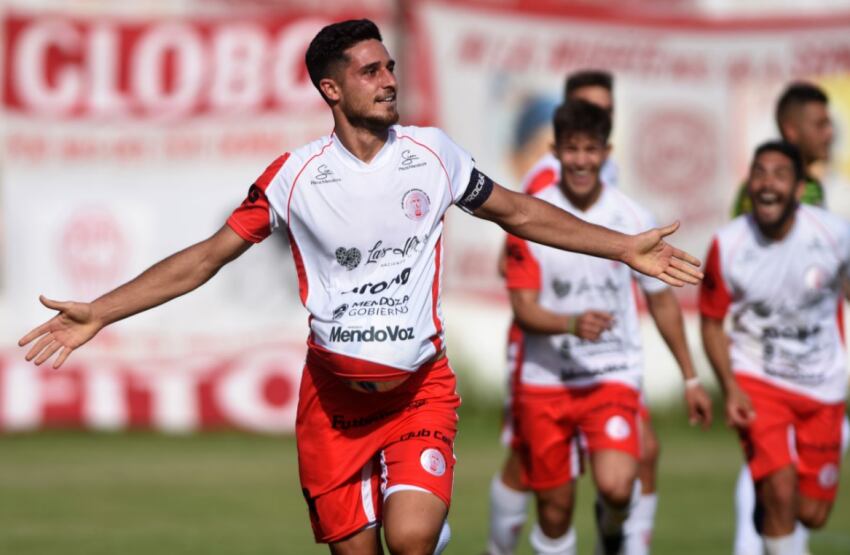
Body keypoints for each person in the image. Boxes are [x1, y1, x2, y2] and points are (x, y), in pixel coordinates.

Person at [18, 20, 703, 555]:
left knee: (408, 539)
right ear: (331, 89)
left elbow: (518, 210)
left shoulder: (434, 155)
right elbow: (205, 258)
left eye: (390, 66)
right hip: (333, 405)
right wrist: (100, 312)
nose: (388, 79)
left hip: (418, 392)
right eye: (369, 70)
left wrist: (623, 248)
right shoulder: (293, 176)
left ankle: (426, 526)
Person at [499, 100, 711, 555]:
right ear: (555, 151)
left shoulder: (632, 218)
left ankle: (612, 531)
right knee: (554, 512)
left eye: (590, 149)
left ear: (606, 152)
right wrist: (569, 322)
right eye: (571, 149)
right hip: (546, 382)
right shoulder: (531, 218)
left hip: (609, 376)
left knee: (617, 487)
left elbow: (662, 302)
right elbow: (522, 308)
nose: (580, 160)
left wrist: (691, 376)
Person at [701, 141, 848, 555]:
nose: (767, 185)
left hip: (823, 388)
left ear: (800, 189)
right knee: (780, 490)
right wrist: (729, 386)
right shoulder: (728, 244)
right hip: (758, 382)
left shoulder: (835, 236)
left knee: (812, 512)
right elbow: (712, 321)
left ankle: (772, 523)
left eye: (779, 175)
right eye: (759, 173)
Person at [731, 83, 832, 217]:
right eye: (820, 125)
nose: (829, 133)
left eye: (828, 124)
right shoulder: (762, 189)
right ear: (791, 131)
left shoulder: (814, 186)